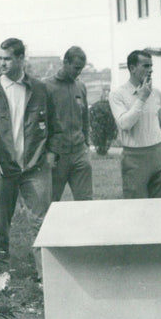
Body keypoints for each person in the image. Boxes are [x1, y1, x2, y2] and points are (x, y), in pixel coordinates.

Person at [0, 38, 55, 278]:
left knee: (41, 221)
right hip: (2, 167)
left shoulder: (40, 89)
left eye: (7, 59)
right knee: (0, 223)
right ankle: (1, 273)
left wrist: (52, 153)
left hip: (35, 166)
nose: (2, 64)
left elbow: (54, 124)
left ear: (21, 59)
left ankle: (45, 276)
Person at [109, 50, 161, 198]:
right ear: (132, 68)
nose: (150, 70)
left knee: (160, 208)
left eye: (151, 66)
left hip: (159, 154)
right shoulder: (117, 95)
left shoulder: (156, 93)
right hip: (134, 158)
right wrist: (142, 98)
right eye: (145, 66)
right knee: (136, 210)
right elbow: (124, 124)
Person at [45, 46, 93, 202]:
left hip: (80, 153)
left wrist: (86, 144)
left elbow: (85, 119)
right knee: (51, 203)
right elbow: (41, 123)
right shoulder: (47, 87)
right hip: (57, 155)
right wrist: (48, 151)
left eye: (81, 69)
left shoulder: (81, 86)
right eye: (76, 68)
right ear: (65, 62)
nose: (78, 72)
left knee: (85, 202)